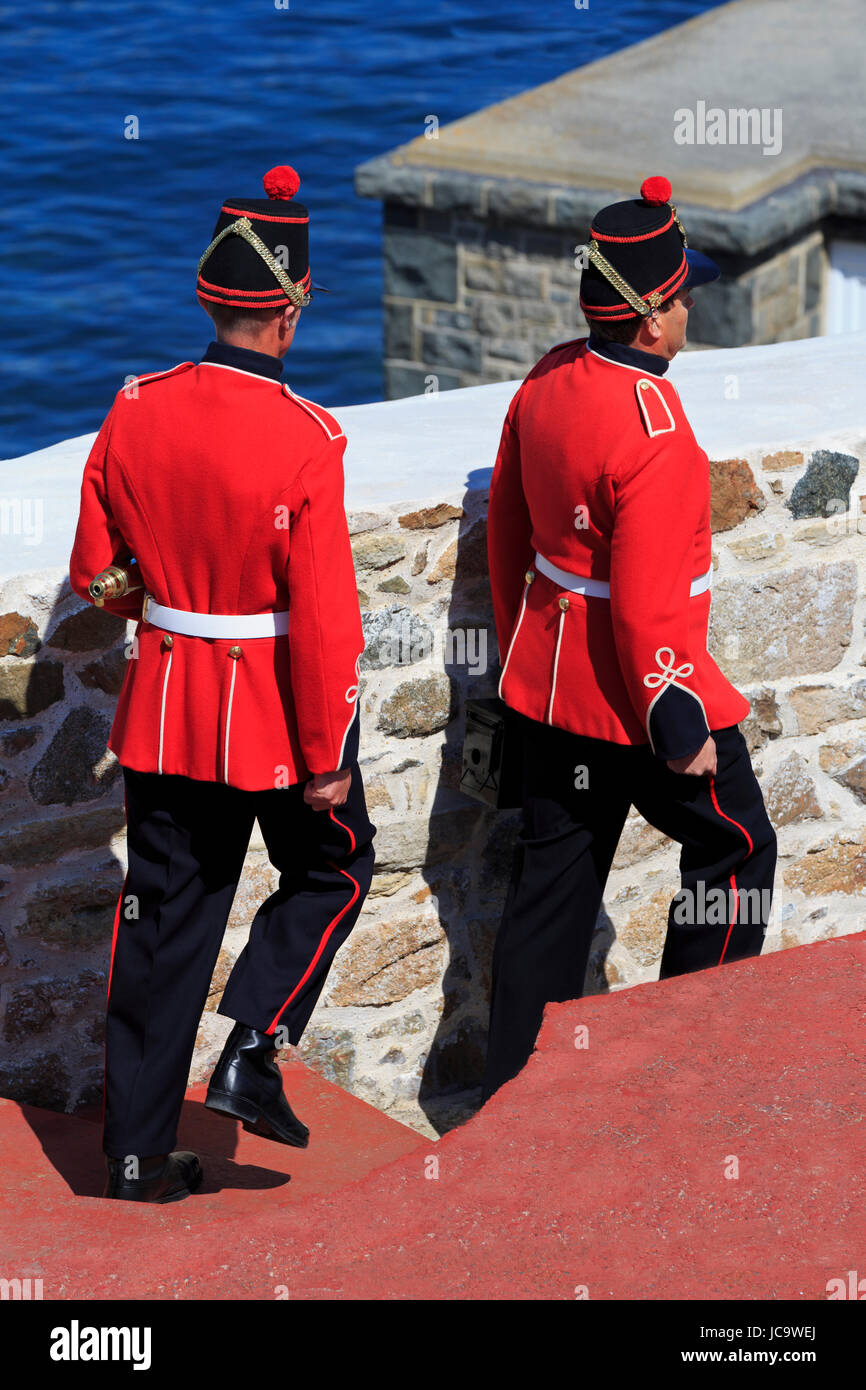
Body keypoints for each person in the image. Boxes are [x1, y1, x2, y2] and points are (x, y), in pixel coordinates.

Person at [68, 164, 375, 1201]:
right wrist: (328, 754)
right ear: (286, 312)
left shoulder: (133, 407)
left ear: (211, 296)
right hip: (277, 722)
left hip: (164, 706)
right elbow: (326, 619)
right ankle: (252, 1046)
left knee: (162, 918)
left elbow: (96, 574)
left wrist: (175, 610)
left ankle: (137, 1153)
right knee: (332, 869)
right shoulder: (307, 438)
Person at [481, 175, 777, 1102]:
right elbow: (649, 602)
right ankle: (683, 1063)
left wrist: (515, 654)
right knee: (741, 854)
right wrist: (676, 718)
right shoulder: (655, 428)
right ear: (652, 317)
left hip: (551, 684)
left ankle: (508, 1105)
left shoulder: (548, 377)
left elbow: (507, 532)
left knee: (551, 897)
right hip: (639, 698)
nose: (692, 309)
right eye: (685, 296)